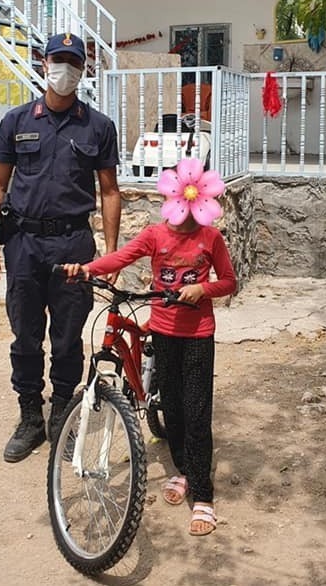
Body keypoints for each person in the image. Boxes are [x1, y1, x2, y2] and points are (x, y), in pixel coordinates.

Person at [62, 159, 237, 536]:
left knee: (196, 411)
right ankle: (185, 471)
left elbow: (228, 281)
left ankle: (203, 497)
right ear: (171, 195)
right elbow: (121, 258)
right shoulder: (155, 235)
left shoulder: (211, 238)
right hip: (162, 331)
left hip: (197, 336)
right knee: (172, 408)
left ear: (202, 198)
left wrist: (201, 289)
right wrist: (87, 268)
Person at [0, 32, 121, 463]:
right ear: (45, 65)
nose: (65, 70)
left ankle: (61, 411)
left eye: (72, 63)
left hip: (73, 244)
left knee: (66, 337)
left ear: (82, 70)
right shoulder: (17, 121)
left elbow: (110, 192)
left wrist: (111, 254)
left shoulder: (98, 126)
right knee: (25, 334)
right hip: (23, 242)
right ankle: (30, 417)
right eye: (58, 61)